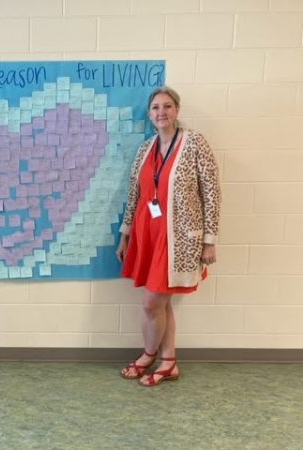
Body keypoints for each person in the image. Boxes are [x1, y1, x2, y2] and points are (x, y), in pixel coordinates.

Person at [116, 86, 221, 387]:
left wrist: (210, 240)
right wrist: (125, 235)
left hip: (179, 239)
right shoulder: (145, 149)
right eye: (155, 108)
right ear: (149, 114)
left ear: (177, 110)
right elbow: (134, 194)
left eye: (167, 106)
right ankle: (168, 361)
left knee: (152, 303)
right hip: (147, 234)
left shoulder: (195, 143)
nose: (161, 112)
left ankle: (149, 355)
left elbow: (211, 192)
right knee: (161, 304)